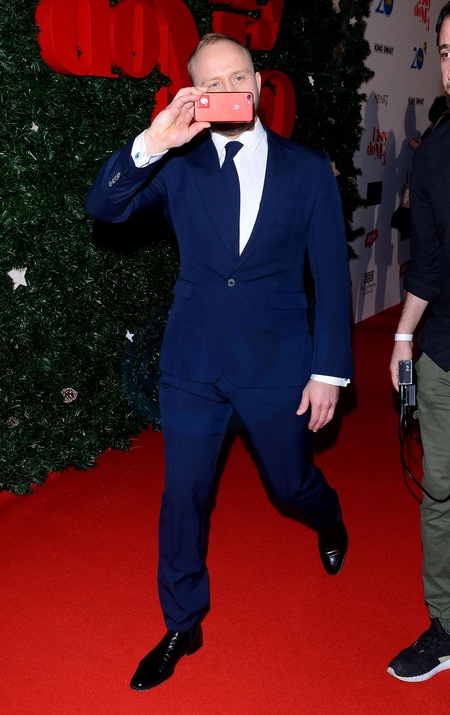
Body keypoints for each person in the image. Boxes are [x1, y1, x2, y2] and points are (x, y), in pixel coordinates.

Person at [86, 33, 353, 692]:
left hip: (276, 363)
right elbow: (105, 206)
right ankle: (183, 622)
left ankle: (328, 515)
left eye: (238, 75)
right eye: (212, 82)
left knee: (291, 485)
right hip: (194, 363)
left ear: (259, 83)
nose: (229, 88)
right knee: (184, 495)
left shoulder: (306, 168)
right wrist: (154, 142)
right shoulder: (177, 164)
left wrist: (329, 371)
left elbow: (330, 276)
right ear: (195, 95)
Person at [388, 2, 450, 683]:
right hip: (446, 354)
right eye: (449, 51)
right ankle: (446, 625)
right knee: (441, 495)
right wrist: (403, 335)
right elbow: (428, 265)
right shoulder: (434, 154)